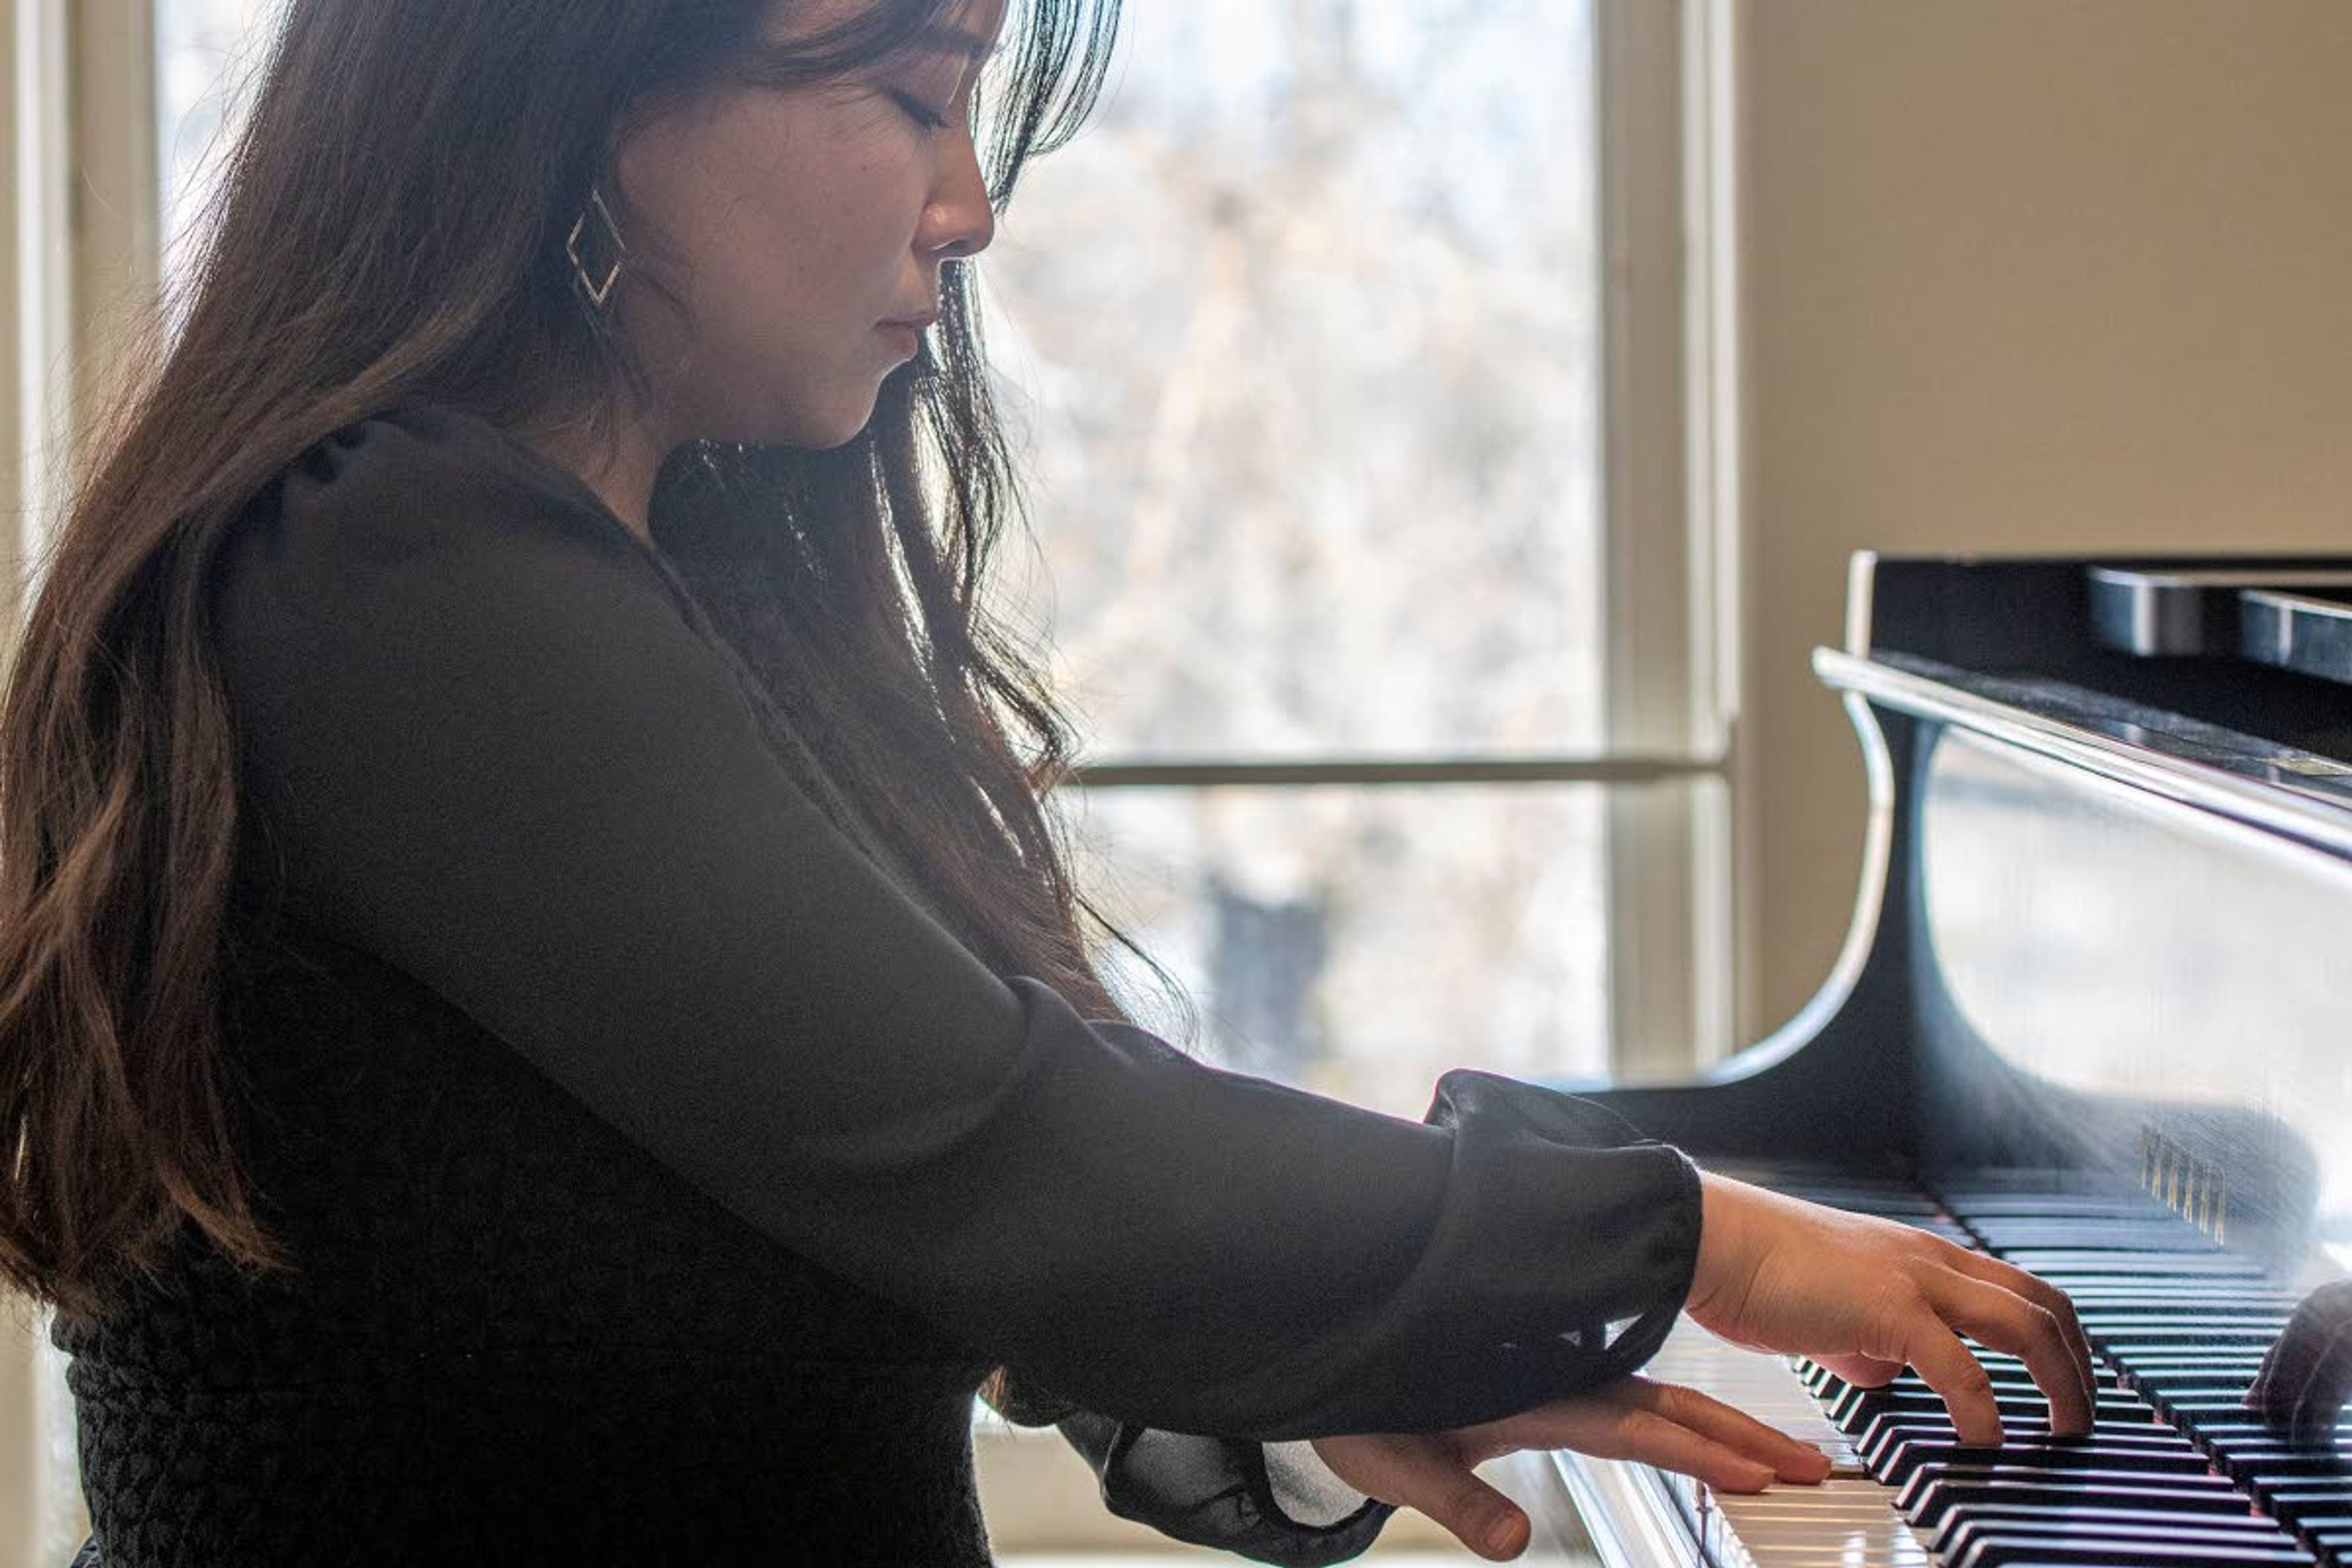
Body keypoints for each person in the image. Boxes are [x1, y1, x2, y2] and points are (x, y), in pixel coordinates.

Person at [0, 0, 2095, 1562]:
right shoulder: (380, 578)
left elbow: (941, 1168)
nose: (970, 202)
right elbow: (1012, 1153)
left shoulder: (682, 577)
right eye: (912, 95)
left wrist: (1315, 1373)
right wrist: (1693, 1237)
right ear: (594, 92)